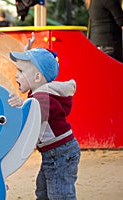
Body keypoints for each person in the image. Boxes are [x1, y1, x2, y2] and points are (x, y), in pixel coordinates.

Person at [8, 48, 81, 199]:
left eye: (21, 71)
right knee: (43, 192)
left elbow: (34, 116)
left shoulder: (43, 97)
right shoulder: (40, 93)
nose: (16, 75)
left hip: (60, 153)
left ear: (37, 77)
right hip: (55, 153)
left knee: (59, 194)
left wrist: (21, 106)